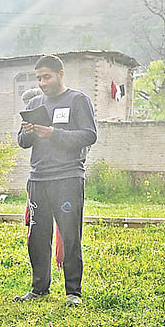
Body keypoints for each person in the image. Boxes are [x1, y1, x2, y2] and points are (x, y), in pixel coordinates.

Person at [16, 55, 97, 306]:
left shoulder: (77, 100)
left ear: (60, 74)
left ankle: (73, 292)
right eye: (38, 78)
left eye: (46, 77)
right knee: (37, 236)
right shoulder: (35, 103)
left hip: (67, 179)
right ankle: (39, 287)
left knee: (70, 234)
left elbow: (89, 135)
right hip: (38, 179)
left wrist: (54, 134)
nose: (41, 83)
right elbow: (22, 142)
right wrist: (28, 133)